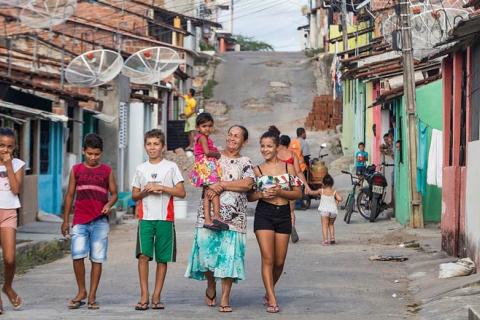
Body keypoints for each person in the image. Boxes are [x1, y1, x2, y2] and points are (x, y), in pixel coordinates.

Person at [185, 125, 255, 313]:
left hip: (234, 218)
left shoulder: (246, 162)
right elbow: (200, 174)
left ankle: (225, 297)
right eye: (230, 135)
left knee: (229, 258)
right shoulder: (214, 155)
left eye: (237, 136)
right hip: (207, 215)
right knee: (206, 254)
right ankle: (210, 283)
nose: (232, 139)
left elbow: (248, 183)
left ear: (244, 141)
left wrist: (222, 184)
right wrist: (209, 183)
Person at [62, 133, 118, 310]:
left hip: (100, 221)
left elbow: (114, 193)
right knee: (77, 255)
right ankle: (81, 291)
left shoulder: (107, 171)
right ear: (83, 151)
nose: (93, 158)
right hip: (79, 220)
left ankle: (92, 295)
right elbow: (70, 195)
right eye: (90, 154)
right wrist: (65, 220)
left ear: (101, 153)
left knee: (97, 258)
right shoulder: (76, 170)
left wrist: (109, 204)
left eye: (97, 154)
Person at [132, 129, 186, 311]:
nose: (152, 147)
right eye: (149, 144)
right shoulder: (141, 169)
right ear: (145, 146)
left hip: (165, 219)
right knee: (143, 256)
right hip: (145, 219)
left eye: (156, 144)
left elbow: (181, 192)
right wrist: (145, 191)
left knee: (162, 259)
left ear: (163, 146)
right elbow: (134, 195)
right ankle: (144, 295)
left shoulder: (170, 167)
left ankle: (156, 295)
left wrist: (162, 188)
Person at [249, 130, 303, 313]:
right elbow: (250, 196)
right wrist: (261, 194)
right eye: (262, 146)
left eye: (269, 146)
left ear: (277, 147)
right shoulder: (257, 170)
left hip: (283, 215)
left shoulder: (288, 168)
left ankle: (269, 288)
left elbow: (298, 193)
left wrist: (280, 192)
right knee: (268, 258)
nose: (265, 149)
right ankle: (272, 298)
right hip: (264, 213)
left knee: (279, 262)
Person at [189, 113, 227, 230]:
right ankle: (216, 215)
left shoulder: (201, 138)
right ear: (198, 127)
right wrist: (217, 154)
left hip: (203, 166)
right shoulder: (203, 138)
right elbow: (207, 152)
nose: (207, 129)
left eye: (210, 126)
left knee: (207, 194)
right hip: (206, 166)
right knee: (214, 191)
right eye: (204, 126)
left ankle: (207, 220)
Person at [0, 128, 24, 313]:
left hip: (8, 212)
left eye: (9, 146)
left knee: (9, 258)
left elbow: (16, 190)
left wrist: (8, 166)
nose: (5, 150)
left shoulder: (17, 164)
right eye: (1, 145)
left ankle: (7, 286)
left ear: (14, 148)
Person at [311, 174, 342, 245]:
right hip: (333, 211)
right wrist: (336, 202)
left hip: (324, 211)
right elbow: (340, 199)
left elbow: (313, 193)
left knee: (324, 225)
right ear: (332, 183)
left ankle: (325, 240)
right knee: (331, 224)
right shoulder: (334, 191)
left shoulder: (321, 191)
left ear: (323, 183)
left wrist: (308, 191)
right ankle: (332, 238)